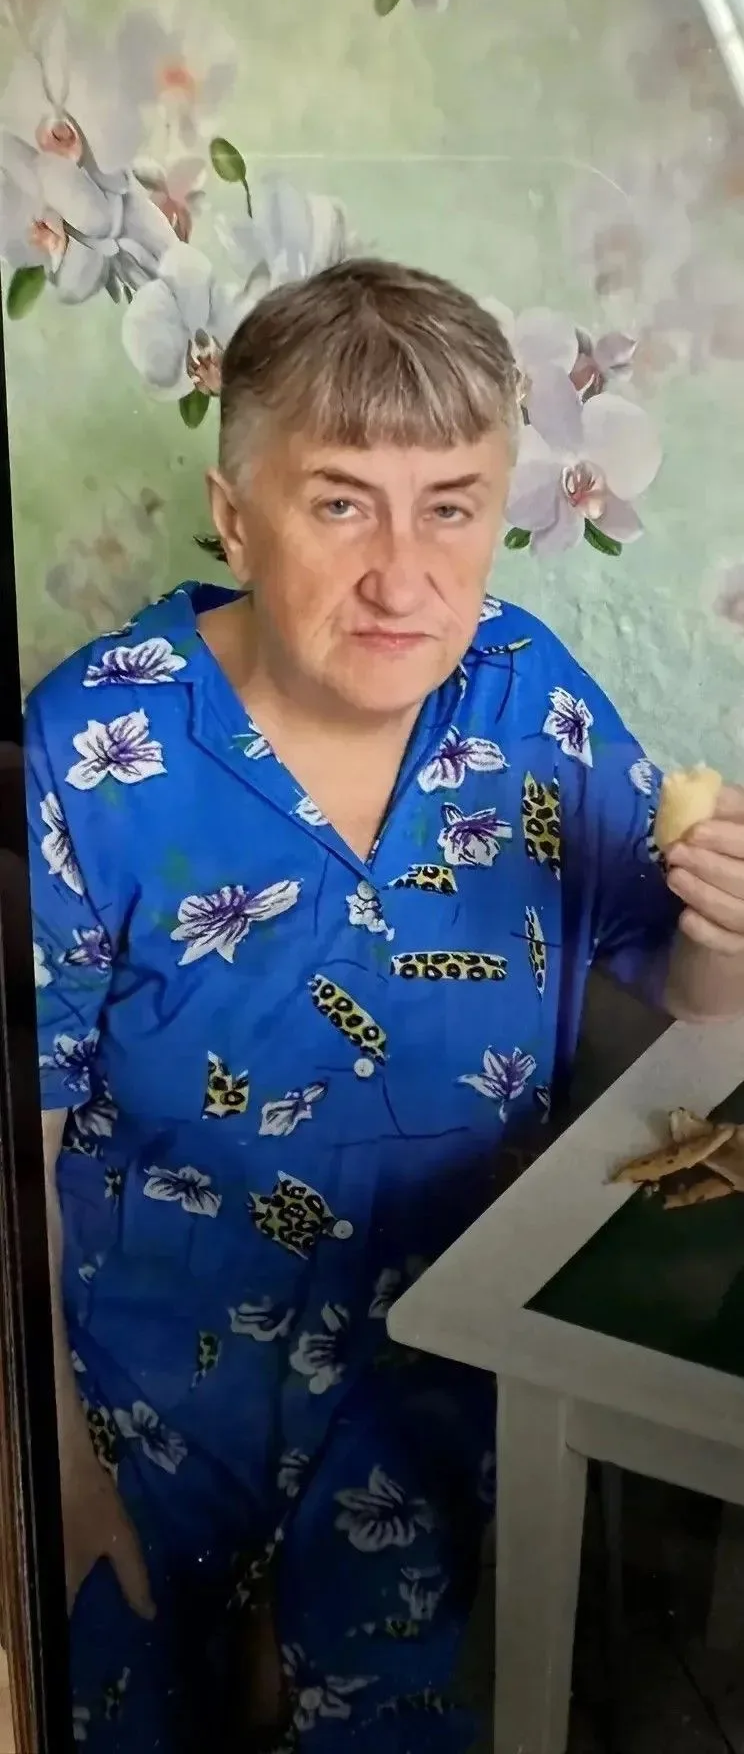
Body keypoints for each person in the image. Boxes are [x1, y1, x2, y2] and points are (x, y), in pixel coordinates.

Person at [26, 260, 744, 1754]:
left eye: (452, 505)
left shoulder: (531, 702)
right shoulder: (94, 745)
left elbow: (685, 1008)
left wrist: (726, 936)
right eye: (341, 502)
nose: (404, 578)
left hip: (426, 1390)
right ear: (236, 515)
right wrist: (49, 1469)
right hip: (139, 1401)